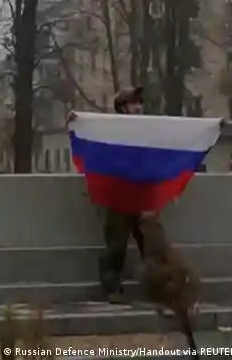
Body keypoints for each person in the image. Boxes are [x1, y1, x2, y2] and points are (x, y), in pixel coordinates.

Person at [67, 86, 145, 304]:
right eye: (133, 103)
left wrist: (210, 128)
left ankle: (159, 286)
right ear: (122, 107)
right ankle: (112, 288)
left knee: (151, 243)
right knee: (116, 244)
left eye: (140, 103)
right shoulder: (110, 129)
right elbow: (90, 138)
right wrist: (77, 121)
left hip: (142, 194)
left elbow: (175, 135)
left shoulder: (147, 128)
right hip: (118, 195)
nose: (138, 107)